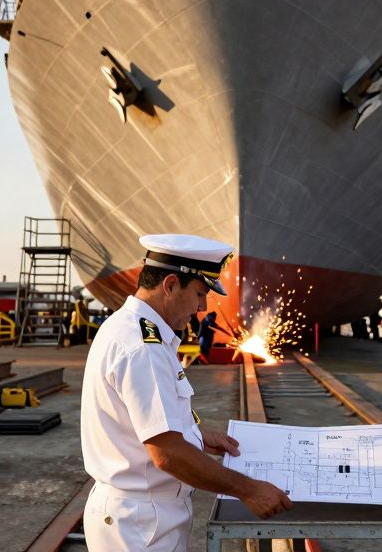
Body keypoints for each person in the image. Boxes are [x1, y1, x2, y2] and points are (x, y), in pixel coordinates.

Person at [81, 234, 291, 551]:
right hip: (140, 526)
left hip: (143, 516)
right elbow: (167, 453)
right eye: (199, 294)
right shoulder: (144, 348)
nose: (203, 307)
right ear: (169, 285)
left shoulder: (130, 328)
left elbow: (142, 418)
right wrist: (249, 490)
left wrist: (195, 434)